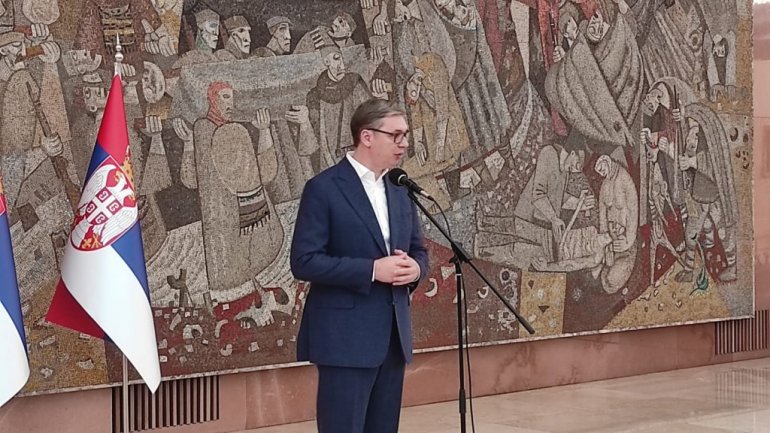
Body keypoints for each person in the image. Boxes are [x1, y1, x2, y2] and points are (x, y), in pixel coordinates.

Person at [290, 98, 429, 433]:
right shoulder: (324, 188)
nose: (404, 143)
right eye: (395, 135)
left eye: (406, 135)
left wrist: (416, 269)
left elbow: (418, 250)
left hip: (393, 337)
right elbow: (304, 261)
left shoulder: (399, 188)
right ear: (367, 136)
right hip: (345, 339)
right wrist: (372, 270)